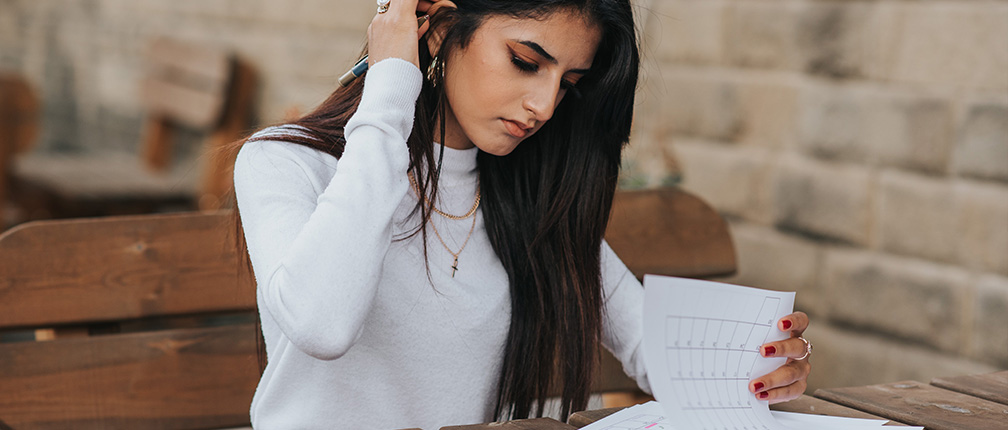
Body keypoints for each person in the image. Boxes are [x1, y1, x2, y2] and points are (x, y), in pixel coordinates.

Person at [231, 0, 812, 428]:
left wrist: (760, 366)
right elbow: (321, 325)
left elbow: (652, 346)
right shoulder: (285, 163)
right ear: (436, 27)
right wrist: (390, 85)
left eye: (569, 84)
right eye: (525, 61)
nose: (543, 105)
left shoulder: (532, 195)